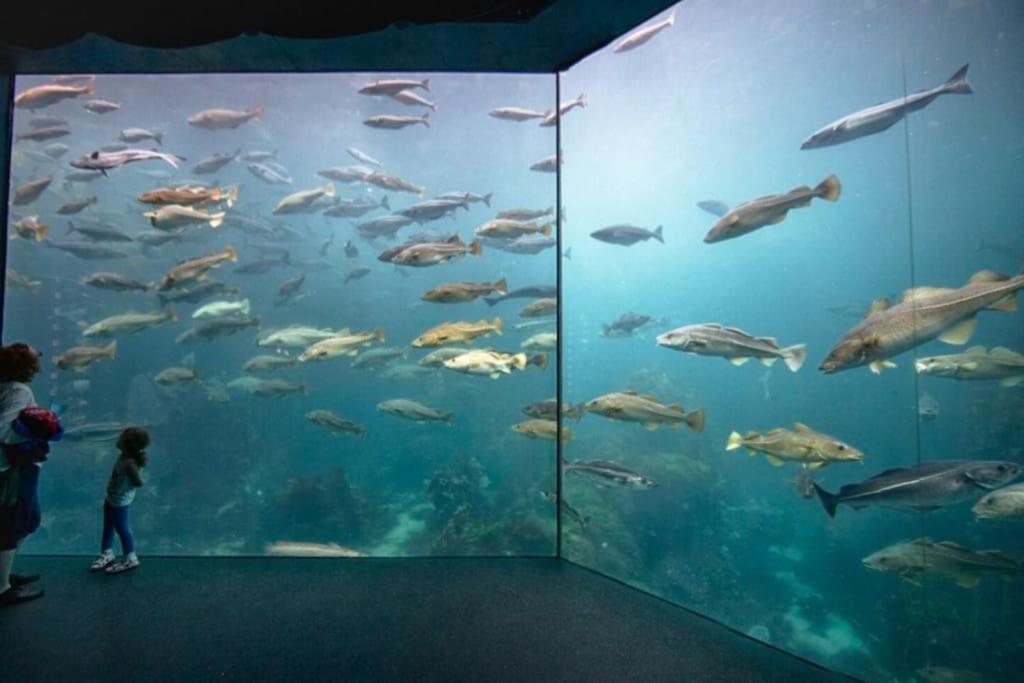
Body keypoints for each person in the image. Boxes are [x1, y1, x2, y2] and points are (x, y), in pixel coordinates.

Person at [0, 342, 47, 607]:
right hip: (11, 467)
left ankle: (2, 573)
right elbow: (4, 429)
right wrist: (35, 432)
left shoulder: (6, 386)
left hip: (11, 467)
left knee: (26, 519)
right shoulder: (19, 390)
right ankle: (2, 588)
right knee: (14, 522)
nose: (39, 358)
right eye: (35, 354)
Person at [91, 427, 149, 574]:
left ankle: (131, 557)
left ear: (128, 444)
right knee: (108, 525)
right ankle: (107, 552)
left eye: (121, 437)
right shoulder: (123, 456)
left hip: (120, 500)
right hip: (112, 497)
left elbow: (138, 482)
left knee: (122, 529)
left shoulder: (129, 463)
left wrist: (125, 487)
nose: (117, 439)